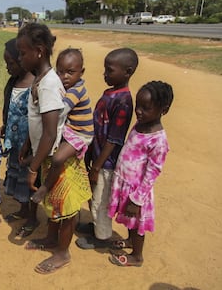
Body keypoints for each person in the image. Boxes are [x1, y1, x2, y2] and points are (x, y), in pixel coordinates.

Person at [17, 23, 84, 275]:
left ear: (39, 51)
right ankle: (52, 239)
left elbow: (50, 131)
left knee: (65, 208)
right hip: (46, 153)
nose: (20, 57)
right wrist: (28, 144)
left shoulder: (47, 84)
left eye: (23, 53)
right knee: (54, 203)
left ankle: (62, 252)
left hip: (58, 158)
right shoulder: (40, 79)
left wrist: (33, 167)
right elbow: (36, 120)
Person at [75, 48, 138, 249]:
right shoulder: (110, 93)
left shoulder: (124, 101)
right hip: (98, 156)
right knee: (94, 193)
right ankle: (95, 225)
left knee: (101, 198)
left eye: (110, 71)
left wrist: (96, 167)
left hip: (107, 163)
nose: (105, 75)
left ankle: (101, 237)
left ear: (127, 72)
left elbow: (113, 140)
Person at [108, 81, 174, 267]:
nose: (139, 111)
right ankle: (129, 242)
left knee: (138, 226)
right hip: (125, 182)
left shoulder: (159, 140)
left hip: (137, 191)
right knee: (130, 222)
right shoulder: (140, 124)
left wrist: (137, 199)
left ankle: (137, 256)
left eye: (146, 108)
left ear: (163, 110)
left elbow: (153, 172)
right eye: (138, 106)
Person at [32, 48, 94, 203]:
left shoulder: (76, 90)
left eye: (70, 72)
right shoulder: (67, 87)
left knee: (58, 158)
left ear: (81, 72)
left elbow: (60, 112)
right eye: (60, 72)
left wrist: (44, 101)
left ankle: (45, 187)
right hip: (70, 129)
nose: (64, 77)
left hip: (81, 134)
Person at [0, 38, 38, 234]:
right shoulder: (13, 82)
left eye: (11, 64)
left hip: (29, 146)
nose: (8, 68)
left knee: (29, 181)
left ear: (24, 59)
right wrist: (5, 126)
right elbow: (10, 109)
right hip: (15, 144)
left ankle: (32, 218)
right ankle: (23, 210)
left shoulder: (36, 86)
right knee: (18, 177)